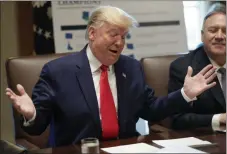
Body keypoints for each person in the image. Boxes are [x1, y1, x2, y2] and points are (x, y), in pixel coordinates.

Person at [6, 6, 216, 147]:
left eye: (123, 36)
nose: (120, 43)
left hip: (125, 149)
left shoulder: (131, 68)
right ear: (92, 33)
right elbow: (37, 127)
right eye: (113, 34)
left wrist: (184, 94)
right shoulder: (58, 72)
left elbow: (151, 110)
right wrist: (31, 114)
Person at [168, 3, 226, 130]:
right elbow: (177, 118)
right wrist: (219, 119)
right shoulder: (183, 68)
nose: (220, 36)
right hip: (208, 140)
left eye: (225, 31)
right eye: (213, 30)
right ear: (202, 35)